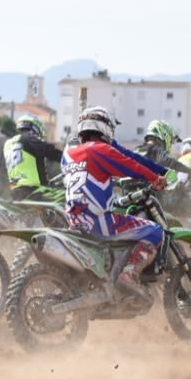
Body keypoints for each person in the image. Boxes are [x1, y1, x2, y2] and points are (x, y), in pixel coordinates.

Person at [61, 107, 168, 299]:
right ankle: (129, 274)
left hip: (74, 221)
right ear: (105, 128)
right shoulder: (102, 150)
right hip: (100, 222)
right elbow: (130, 165)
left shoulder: (68, 155)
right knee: (155, 231)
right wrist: (155, 178)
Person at [3, 115, 63, 201]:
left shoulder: (8, 144)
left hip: (15, 191)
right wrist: (69, 158)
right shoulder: (29, 139)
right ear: (35, 128)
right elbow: (50, 151)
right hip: (35, 191)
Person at [135, 120, 191, 184]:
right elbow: (171, 162)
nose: (171, 145)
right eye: (171, 141)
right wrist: (190, 172)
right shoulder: (154, 150)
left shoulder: (137, 149)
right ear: (164, 135)